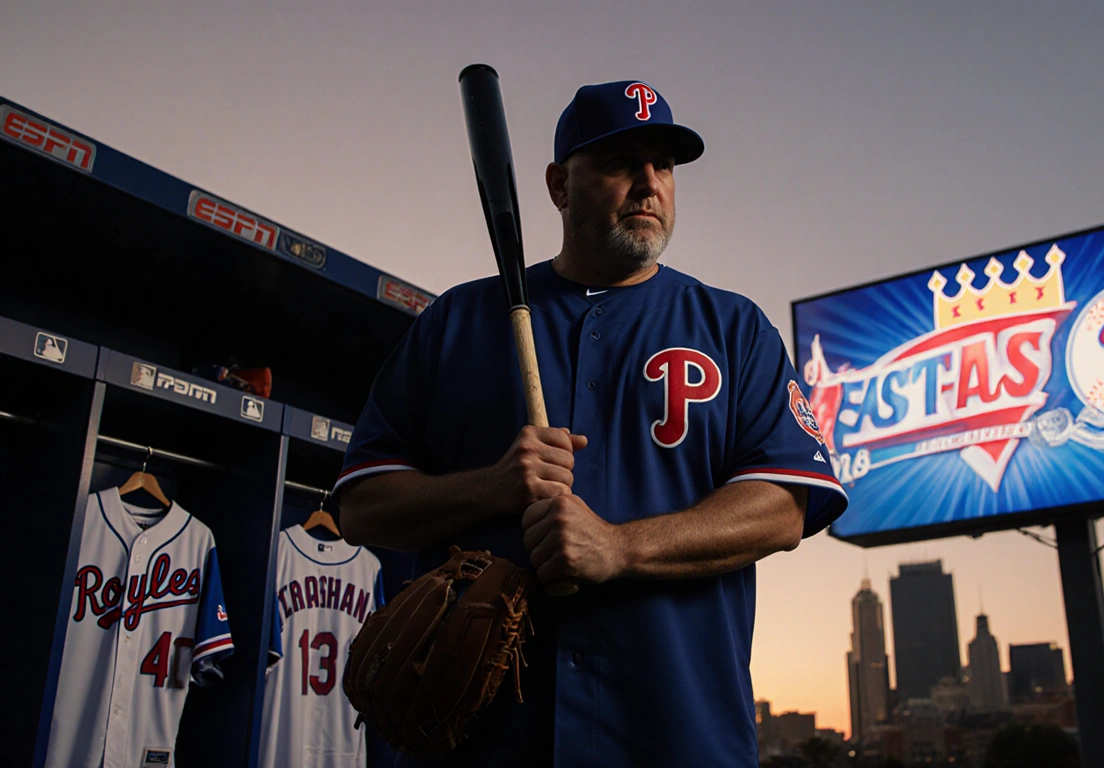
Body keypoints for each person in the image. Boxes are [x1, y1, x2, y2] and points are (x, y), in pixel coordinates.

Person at [335, 79, 848, 767]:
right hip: (487, 748)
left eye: (662, 165)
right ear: (558, 185)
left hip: (677, 739)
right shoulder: (458, 323)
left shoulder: (733, 328)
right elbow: (363, 505)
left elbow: (784, 508)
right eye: (618, 162)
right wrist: (489, 488)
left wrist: (622, 547)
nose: (647, 184)